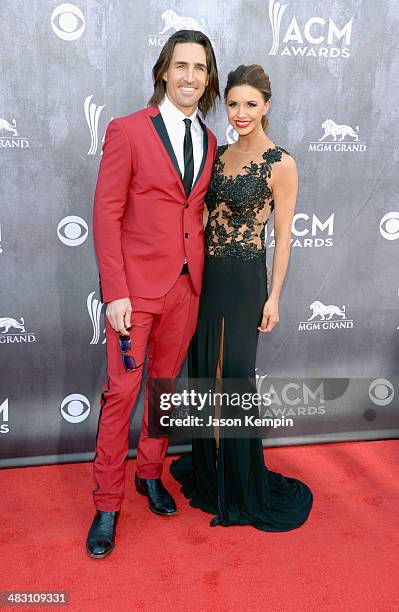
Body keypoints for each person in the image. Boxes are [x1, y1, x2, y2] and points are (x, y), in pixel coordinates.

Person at [87, 30, 219, 558]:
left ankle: (149, 474)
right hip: (135, 294)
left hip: (187, 289)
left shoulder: (210, 141)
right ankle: (106, 502)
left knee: (164, 390)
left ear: (208, 78)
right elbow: (106, 213)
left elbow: (195, 211)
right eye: (182, 65)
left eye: (201, 68)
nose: (190, 76)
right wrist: (115, 292)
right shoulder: (127, 130)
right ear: (164, 71)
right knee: (122, 394)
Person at [170, 64, 313, 531]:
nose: (240, 113)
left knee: (233, 378)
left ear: (267, 106)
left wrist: (274, 298)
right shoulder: (220, 152)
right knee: (205, 372)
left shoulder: (281, 163)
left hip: (246, 278)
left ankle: (240, 481)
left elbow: (285, 238)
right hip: (207, 280)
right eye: (233, 104)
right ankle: (211, 472)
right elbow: (202, 216)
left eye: (251, 104)